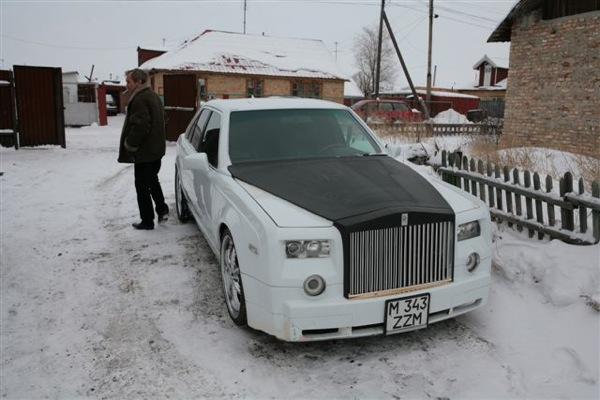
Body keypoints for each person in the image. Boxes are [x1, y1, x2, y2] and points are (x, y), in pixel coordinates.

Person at [118, 68, 168, 230]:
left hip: (145, 152)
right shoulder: (153, 96)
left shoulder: (140, 99)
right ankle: (162, 210)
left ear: (139, 82)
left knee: (142, 186)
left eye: (129, 81)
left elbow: (140, 126)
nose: (127, 84)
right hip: (156, 150)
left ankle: (147, 220)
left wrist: (130, 144)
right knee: (152, 180)